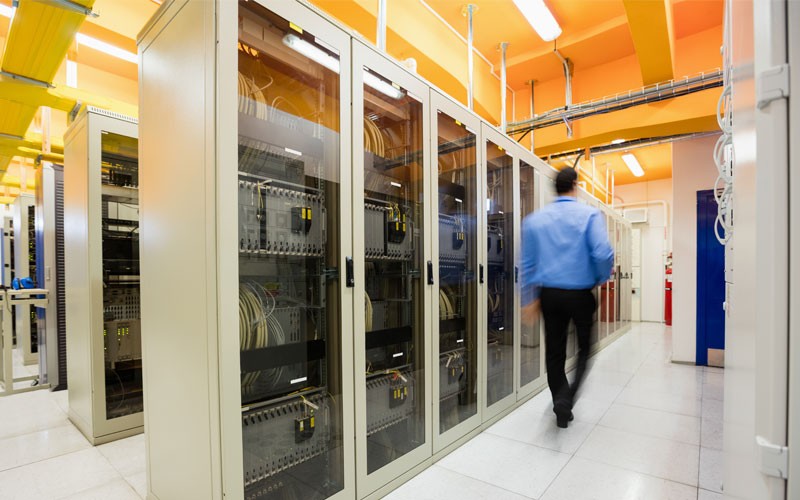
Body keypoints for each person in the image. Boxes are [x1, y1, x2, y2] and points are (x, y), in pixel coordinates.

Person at [520, 167, 614, 428]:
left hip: (549, 296)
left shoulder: (534, 220)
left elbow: (526, 264)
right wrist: (601, 277)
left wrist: (528, 299)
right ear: (575, 185)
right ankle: (567, 397)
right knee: (585, 349)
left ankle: (560, 397)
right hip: (580, 294)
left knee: (554, 352)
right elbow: (602, 253)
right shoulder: (590, 215)